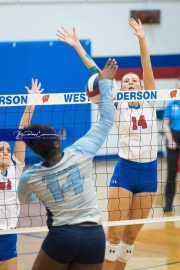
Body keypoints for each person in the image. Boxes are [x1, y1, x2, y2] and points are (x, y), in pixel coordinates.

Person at [57, 18, 158, 270]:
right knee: (113, 237)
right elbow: (97, 74)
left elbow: (147, 68)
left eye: (135, 80)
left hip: (150, 174)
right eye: (126, 81)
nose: (131, 82)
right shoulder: (117, 103)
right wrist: (77, 46)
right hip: (125, 171)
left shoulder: (150, 100)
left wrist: (142, 40)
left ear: (143, 86)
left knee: (130, 238)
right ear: (121, 88)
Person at [17, 59, 118, 270]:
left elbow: (24, 198)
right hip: (94, 236)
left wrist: (31, 103)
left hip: (62, 237)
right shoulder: (80, 151)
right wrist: (106, 83)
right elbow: (107, 119)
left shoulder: (32, 176)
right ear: (56, 141)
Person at [0, 79, 43, 270]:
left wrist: (31, 101)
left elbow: (22, 130)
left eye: (7, 150)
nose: (6, 153)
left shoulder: (16, 167)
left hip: (9, 236)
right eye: (1, 150)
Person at [163, 79, 180, 212]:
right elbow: (165, 124)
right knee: (171, 172)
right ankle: (168, 203)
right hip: (174, 137)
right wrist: (170, 141)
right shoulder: (172, 104)